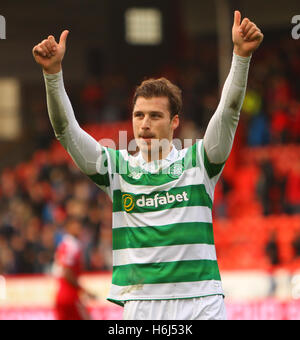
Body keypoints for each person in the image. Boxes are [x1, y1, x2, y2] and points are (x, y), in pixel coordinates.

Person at [33, 11, 263, 320]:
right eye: (139, 115)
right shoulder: (116, 169)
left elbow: (230, 111)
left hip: (202, 302)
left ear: (174, 122)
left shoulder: (199, 161)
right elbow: (65, 130)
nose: (144, 123)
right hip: (142, 305)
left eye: (155, 116)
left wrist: (241, 58)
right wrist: (52, 75)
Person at [54, 218, 95, 320]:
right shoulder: (72, 245)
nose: (78, 228)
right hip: (70, 295)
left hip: (61, 294)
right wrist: (82, 289)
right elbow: (66, 271)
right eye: (75, 225)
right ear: (68, 227)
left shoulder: (63, 244)